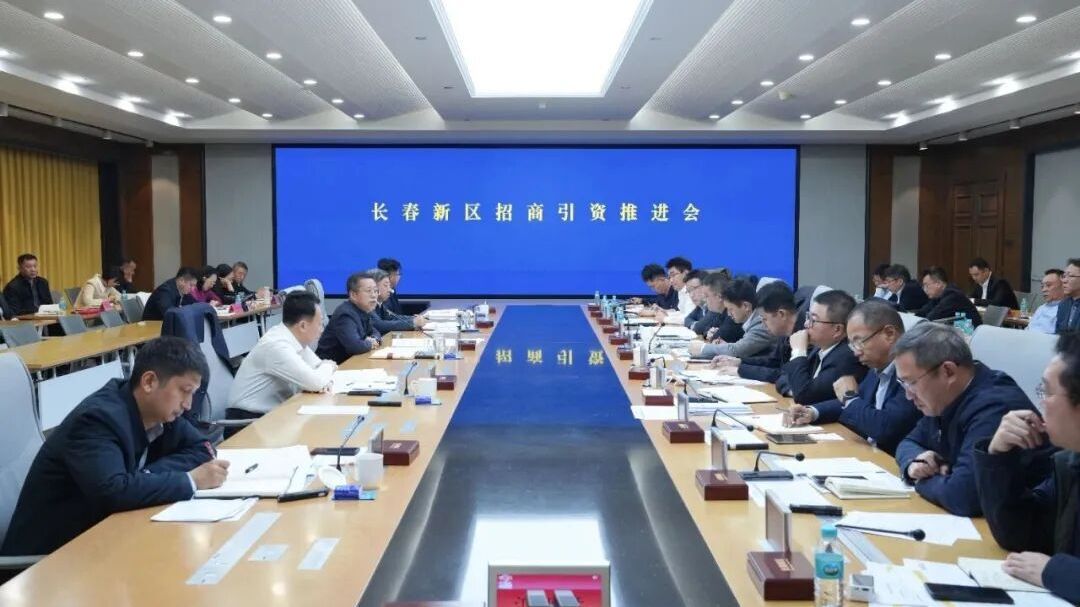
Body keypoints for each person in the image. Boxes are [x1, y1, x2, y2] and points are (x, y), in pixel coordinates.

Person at [0, 337, 229, 556]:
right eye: (185, 391)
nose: (188, 405)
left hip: (99, 538)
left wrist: (144, 477)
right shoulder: (97, 420)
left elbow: (203, 448)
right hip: (48, 560)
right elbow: (112, 492)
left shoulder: (158, 410)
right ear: (149, 382)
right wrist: (190, 480)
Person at [893, 322, 1052, 516]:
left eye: (911, 383)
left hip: (1031, 523)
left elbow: (963, 496)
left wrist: (922, 481)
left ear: (948, 371)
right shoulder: (944, 398)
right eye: (903, 384)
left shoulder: (994, 405)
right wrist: (914, 463)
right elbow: (908, 442)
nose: (908, 395)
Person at [974, 333, 1080, 602]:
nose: (1041, 402)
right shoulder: (1070, 463)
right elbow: (1019, 535)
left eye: (1047, 392)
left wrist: (1056, 571)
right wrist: (998, 456)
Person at [787, 299, 921, 455]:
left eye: (859, 341)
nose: (856, 352)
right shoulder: (877, 367)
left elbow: (884, 428)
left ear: (889, 334)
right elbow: (853, 403)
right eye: (852, 344)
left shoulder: (912, 373)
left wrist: (849, 398)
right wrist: (812, 412)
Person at [226, 292, 336, 420]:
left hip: (273, 414)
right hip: (247, 421)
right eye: (320, 323)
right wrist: (327, 367)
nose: (322, 329)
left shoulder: (293, 338)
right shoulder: (277, 345)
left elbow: (318, 369)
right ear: (303, 326)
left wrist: (324, 373)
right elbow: (317, 381)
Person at [779, 290, 867, 405]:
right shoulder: (820, 347)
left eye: (813, 320)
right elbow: (783, 376)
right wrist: (795, 390)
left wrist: (798, 352)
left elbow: (803, 396)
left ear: (837, 330)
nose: (806, 324)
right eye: (808, 317)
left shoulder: (846, 358)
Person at [711, 282, 797, 383]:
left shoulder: (805, 336)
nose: (763, 324)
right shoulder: (784, 334)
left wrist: (741, 370)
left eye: (765, 319)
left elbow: (784, 374)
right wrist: (739, 362)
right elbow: (773, 361)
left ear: (781, 314)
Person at [690, 278, 773, 359]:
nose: (729, 314)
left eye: (731, 309)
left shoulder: (761, 323)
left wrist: (702, 348)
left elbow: (736, 350)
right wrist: (726, 345)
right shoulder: (751, 321)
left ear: (746, 306)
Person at [316, 271, 382, 364]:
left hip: (350, 363)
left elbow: (375, 332)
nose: (374, 295)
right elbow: (355, 346)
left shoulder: (362, 310)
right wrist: (370, 343)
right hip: (332, 367)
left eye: (375, 291)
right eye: (369, 291)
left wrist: (374, 339)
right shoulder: (345, 314)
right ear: (353, 295)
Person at [915, 266, 982, 326]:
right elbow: (922, 313)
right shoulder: (938, 296)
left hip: (971, 330)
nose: (925, 290)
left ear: (938, 283)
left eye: (927, 285)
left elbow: (932, 317)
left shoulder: (953, 295)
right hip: (959, 329)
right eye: (923, 286)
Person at [370, 269, 426, 333]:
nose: (391, 290)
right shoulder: (367, 305)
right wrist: (413, 323)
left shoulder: (379, 304)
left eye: (389, 286)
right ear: (374, 287)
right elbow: (380, 325)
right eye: (386, 285)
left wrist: (414, 319)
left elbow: (393, 317)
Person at [1028, 269, 1065, 335]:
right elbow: (1029, 328)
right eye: (1042, 286)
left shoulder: (1066, 310)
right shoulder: (1041, 308)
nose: (1044, 290)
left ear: (1063, 286)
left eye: (1048, 285)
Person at [1057, 259, 1080, 334]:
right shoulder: (1063, 304)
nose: (1064, 281)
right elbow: (1058, 333)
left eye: (1070, 276)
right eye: (1064, 276)